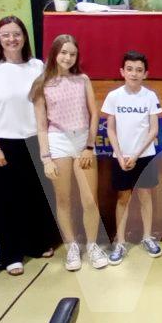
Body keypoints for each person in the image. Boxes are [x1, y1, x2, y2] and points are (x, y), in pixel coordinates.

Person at [0, 16, 60, 276]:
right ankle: (11, 253)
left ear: (24, 37)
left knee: (35, 195)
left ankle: (37, 243)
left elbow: (42, 105)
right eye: (6, 35)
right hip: (3, 141)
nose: (12, 39)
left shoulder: (37, 66)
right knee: (6, 200)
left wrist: (45, 147)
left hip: (33, 138)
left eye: (16, 34)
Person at [31, 34, 110, 271]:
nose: (67, 57)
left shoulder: (82, 80)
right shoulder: (42, 84)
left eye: (72, 54)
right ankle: (72, 247)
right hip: (58, 142)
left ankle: (92, 246)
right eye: (63, 52)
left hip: (82, 141)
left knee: (89, 200)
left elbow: (94, 114)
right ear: (54, 53)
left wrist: (89, 146)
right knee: (63, 199)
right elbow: (41, 125)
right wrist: (46, 158)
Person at [102, 51, 162, 265]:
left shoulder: (150, 96)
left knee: (145, 196)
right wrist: (120, 156)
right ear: (122, 71)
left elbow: (153, 130)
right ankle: (120, 242)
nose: (134, 73)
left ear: (145, 73)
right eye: (129, 69)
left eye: (139, 70)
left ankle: (147, 237)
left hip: (144, 157)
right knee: (123, 199)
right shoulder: (114, 96)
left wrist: (136, 155)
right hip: (121, 158)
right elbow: (110, 129)